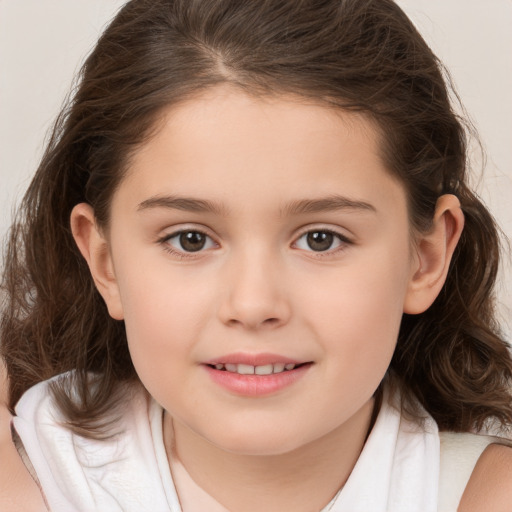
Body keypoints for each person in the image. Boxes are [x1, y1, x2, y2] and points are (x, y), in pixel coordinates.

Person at [1, 0, 511, 510]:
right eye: (190, 239)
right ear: (105, 262)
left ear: (425, 258)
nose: (252, 304)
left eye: (321, 239)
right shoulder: (24, 482)